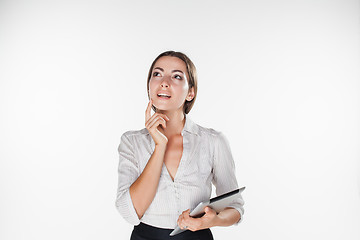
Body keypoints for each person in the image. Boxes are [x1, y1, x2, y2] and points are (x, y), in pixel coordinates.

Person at [115, 51, 244, 240]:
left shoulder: (213, 141)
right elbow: (131, 212)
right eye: (157, 74)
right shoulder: (131, 142)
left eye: (176, 76)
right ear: (149, 87)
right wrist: (160, 146)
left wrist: (211, 220)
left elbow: (235, 207)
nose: (164, 82)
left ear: (190, 92)